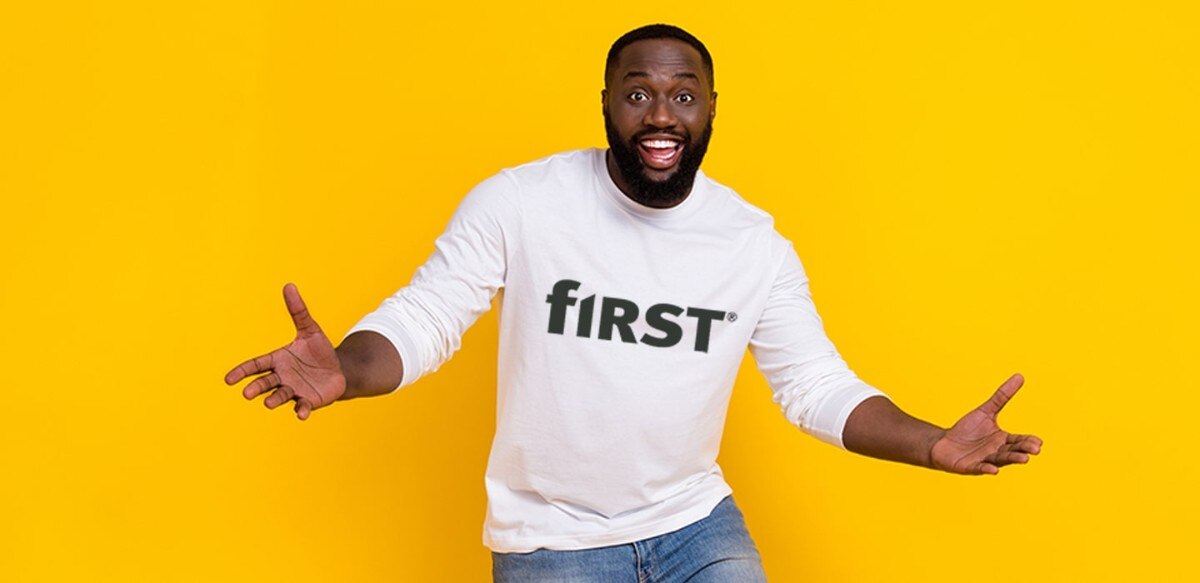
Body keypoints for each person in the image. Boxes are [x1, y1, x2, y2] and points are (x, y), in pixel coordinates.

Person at [224, 23, 1043, 582]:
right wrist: (349, 371)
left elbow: (816, 386)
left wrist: (931, 442)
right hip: (553, 541)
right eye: (638, 93)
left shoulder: (751, 242)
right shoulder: (520, 201)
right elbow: (427, 315)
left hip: (696, 525)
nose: (661, 115)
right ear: (607, 102)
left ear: (712, 108)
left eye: (683, 95)